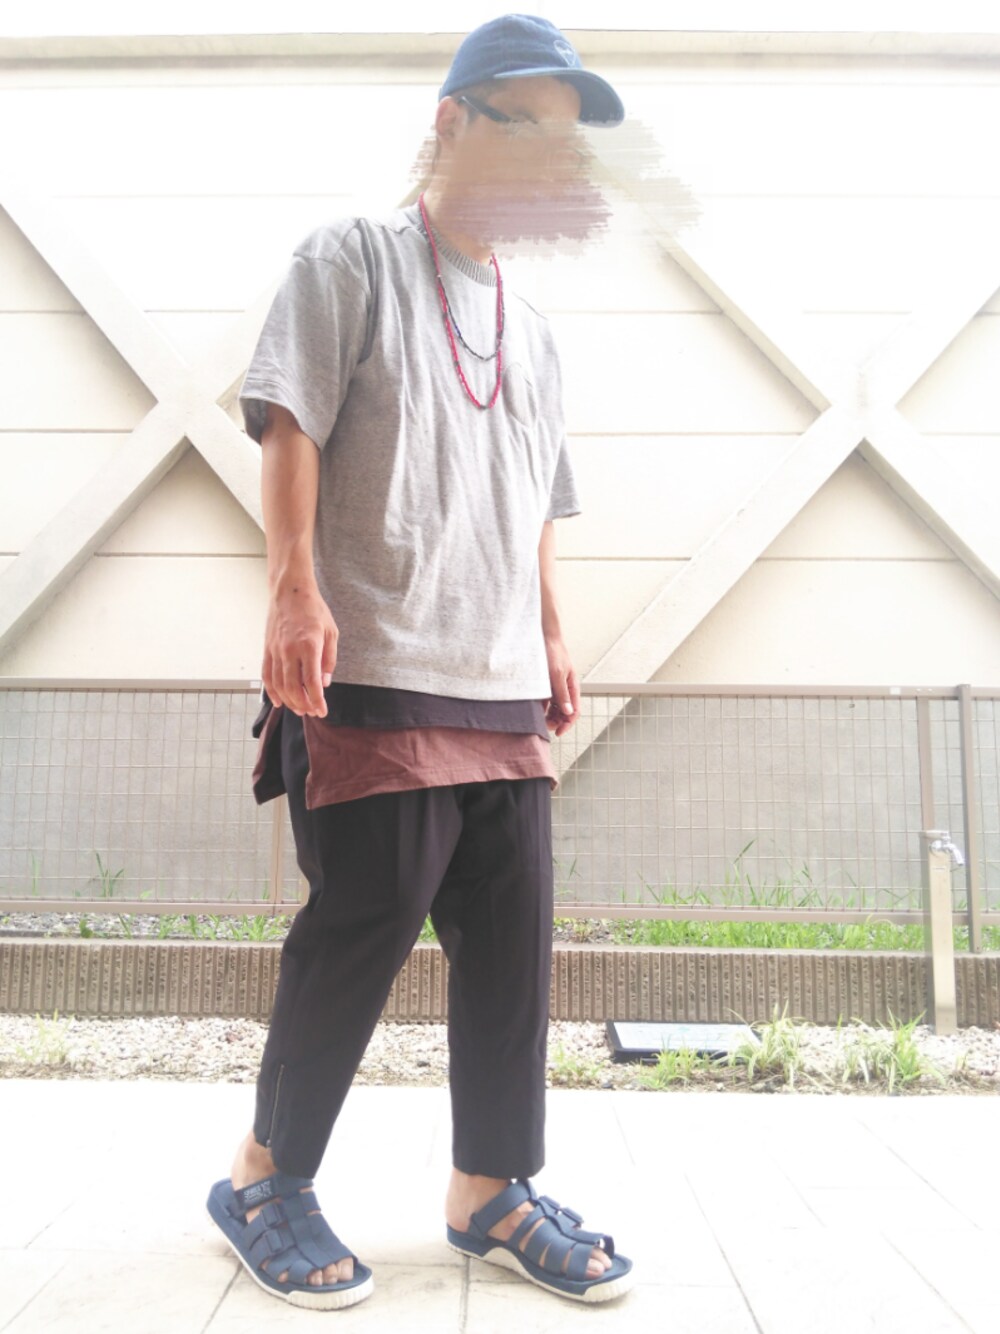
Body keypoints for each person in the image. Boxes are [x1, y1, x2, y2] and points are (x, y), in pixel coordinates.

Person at [206, 13, 634, 1311]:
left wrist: (550, 631)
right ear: (451, 123)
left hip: (500, 682)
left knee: (512, 937)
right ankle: (262, 1178)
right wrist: (291, 586)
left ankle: (488, 1189)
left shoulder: (537, 332)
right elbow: (289, 419)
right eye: (526, 126)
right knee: (366, 918)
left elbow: (533, 501)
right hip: (376, 660)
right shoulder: (351, 258)